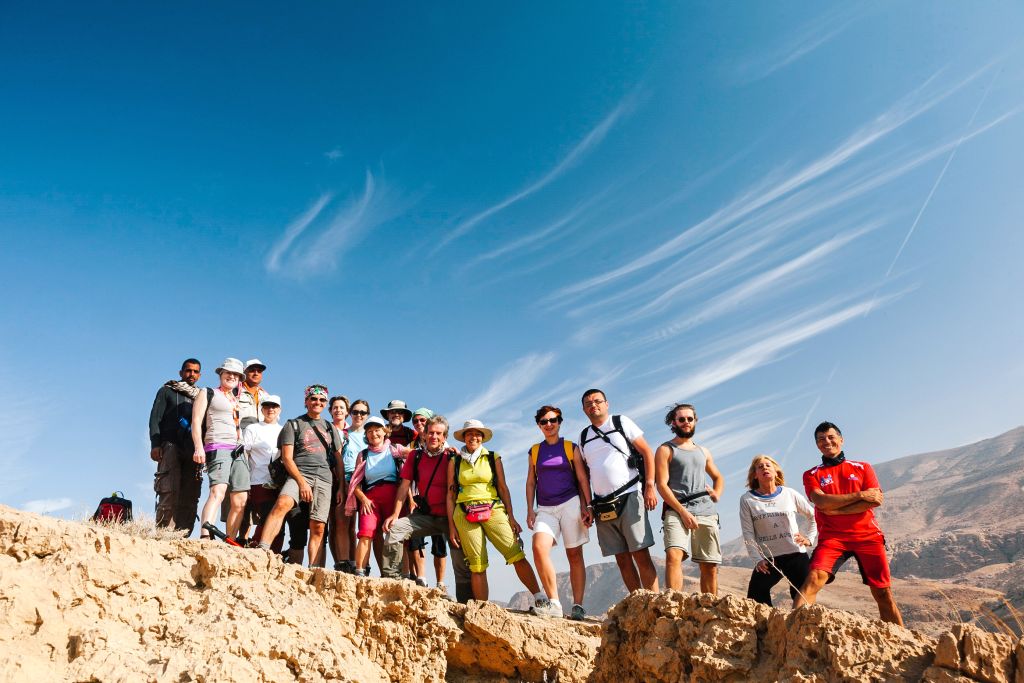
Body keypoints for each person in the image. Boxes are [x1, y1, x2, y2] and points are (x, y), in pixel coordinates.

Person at [794, 422, 903, 626]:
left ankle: (905, 642)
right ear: (817, 446)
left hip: (868, 537)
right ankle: (792, 635)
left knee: (883, 593)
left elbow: (874, 500)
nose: (826, 441)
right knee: (812, 580)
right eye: (820, 439)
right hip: (833, 539)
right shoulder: (811, 474)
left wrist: (835, 509)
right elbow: (821, 501)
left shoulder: (863, 467)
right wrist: (860, 495)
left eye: (830, 437)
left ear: (841, 439)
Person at [446, 419, 549, 611]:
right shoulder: (455, 460)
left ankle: (540, 597)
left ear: (483, 437)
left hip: (492, 508)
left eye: (477, 434)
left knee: (515, 553)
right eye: (469, 434)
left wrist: (511, 516)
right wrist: (452, 527)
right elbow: (450, 494)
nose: (473, 437)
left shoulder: (493, 457)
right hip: (464, 512)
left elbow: (502, 487)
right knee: (477, 564)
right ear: (464, 437)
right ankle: (483, 611)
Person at [382, 415, 471, 601]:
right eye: (430, 433)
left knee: (460, 558)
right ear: (424, 435)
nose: (434, 437)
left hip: (451, 518)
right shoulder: (415, 457)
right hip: (426, 515)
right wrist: (395, 514)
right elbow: (404, 486)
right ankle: (393, 586)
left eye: (439, 433)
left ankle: (464, 603)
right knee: (395, 530)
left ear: (445, 437)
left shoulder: (452, 457)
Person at [577, 389, 659, 593]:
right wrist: (587, 505)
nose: (593, 405)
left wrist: (650, 486)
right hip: (603, 504)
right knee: (621, 558)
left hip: (630, 494)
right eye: (588, 403)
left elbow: (647, 451)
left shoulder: (620, 422)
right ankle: (638, 603)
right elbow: (583, 476)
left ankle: (656, 604)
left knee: (640, 553)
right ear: (583, 409)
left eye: (597, 401)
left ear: (606, 404)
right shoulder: (584, 436)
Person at [256, 385, 342, 567]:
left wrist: (341, 486)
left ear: (325, 404)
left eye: (321, 400)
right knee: (282, 504)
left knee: (318, 526)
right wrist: (302, 483)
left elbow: (338, 459)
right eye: (313, 399)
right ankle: (262, 550)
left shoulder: (329, 427)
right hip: (299, 473)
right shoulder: (293, 424)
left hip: (324, 479)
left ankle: (314, 569)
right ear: (306, 402)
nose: (317, 402)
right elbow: (287, 458)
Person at [526, 405, 593, 620]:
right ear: (539, 425)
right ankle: (554, 603)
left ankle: (578, 606)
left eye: (553, 420)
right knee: (538, 548)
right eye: (544, 421)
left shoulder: (570, 447)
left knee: (574, 554)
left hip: (571, 502)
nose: (549, 425)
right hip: (545, 508)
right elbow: (530, 482)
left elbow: (583, 479)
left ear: (559, 422)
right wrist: (529, 509)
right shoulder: (535, 451)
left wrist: (588, 505)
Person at [654, 403, 725, 594]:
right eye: (681, 419)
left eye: (689, 419)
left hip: (706, 511)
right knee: (673, 555)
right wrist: (683, 512)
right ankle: (674, 604)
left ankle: (709, 609)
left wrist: (716, 494)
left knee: (709, 565)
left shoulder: (704, 451)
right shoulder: (665, 450)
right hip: (677, 510)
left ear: (695, 421)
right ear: (673, 422)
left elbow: (718, 477)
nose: (686, 422)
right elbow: (661, 485)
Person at [739, 454, 816, 607]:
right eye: (760, 467)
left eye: (768, 465)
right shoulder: (747, 500)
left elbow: (813, 516)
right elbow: (748, 532)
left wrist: (809, 538)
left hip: (796, 554)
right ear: (755, 475)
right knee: (755, 596)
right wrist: (757, 559)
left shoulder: (789, 494)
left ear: (776, 472)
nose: (764, 468)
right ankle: (766, 628)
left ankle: (799, 629)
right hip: (769, 559)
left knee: (803, 598)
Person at [191, 358, 249, 540]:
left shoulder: (236, 399)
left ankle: (230, 539)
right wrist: (198, 448)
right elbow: (196, 421)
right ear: (221, 374)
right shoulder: (207, 393)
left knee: (240, 499)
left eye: (236, 374)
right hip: (218, 445)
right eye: (228, 373)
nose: (231, 376)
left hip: (239, 450)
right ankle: (205, 536)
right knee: (218, 491)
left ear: (240, 378)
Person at [344, 416, 406, 576]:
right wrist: (363, 499)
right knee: (366, 532)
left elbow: (416, 454)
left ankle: (400, 575)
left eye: (377, 430)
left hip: (393, 497)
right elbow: (355, 484)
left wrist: (445, 448)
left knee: (396, 534)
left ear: (385, 431)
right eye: (369, 431)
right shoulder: (363, 455)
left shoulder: (394, 449)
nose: (373, 434)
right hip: (370, 499)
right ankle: (359, 571)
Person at [149, 358, 203, 535]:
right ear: (181, 373)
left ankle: (183, 534)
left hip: (193, 449)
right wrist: (155, 444)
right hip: (170, 444)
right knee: (169, 488)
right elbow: (155, 418)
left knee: (191, 492)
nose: (191, 374)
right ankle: (164, 532)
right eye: (188, 371)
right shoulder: (167, 391)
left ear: (200, 375)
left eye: (195, 372)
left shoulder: (202, 397)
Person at [406, 407, 448, 588]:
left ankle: (440, 583)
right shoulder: (412, 448)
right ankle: (421, 578)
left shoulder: (446, 449)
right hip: (418, 501)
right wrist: (410, 499)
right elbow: (406, 479)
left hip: (440, 505)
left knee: (439, 545)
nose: (419, 424)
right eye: (416, 421)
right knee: (415, 540)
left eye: (423, 421)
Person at [241, 395, 285, 550]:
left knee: (280, 521)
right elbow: (244, 455)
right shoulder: (253, 428)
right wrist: (244, 481)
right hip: (258, 480)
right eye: (267, 406)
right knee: (266, 517)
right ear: (262, 409)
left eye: (274, 406)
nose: (270, 409)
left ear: (279, 409)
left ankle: (274, 555)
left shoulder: (284, 430)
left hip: (279, 483)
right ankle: (255, 548)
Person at [333, 399, 369, 573]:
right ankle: (344, 562)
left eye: (362, 412)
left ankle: (359, 564)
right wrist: (341, 484)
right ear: (350, 413)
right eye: (355, 412)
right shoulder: (343, 434)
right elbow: (338, 459)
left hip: (366, 482)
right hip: (346, 479)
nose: (359, 415)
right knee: (342, 522)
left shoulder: (371, 434)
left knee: (360, 526)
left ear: (367, 415)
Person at [324, 395, 350, 567]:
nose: (338, 410)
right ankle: (337, 563)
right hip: (327, 477)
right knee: (330, 524)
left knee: (345, 524)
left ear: (347, 411)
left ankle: (348, 562)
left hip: (347, 479)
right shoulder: (324, 428)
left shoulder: (353, 432)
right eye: (335, 407)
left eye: (341, 407)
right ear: (330, 410)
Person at [238, 359, 271, 429]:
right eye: (252, 370)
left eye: (259, 371)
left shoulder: (266, 396)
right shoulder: (235, 392)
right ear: (244, 372)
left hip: (261, 437)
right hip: (240, 437)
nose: (256, 373)